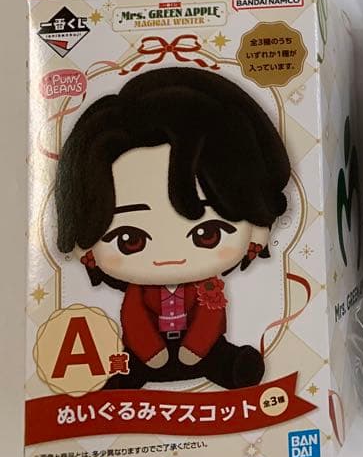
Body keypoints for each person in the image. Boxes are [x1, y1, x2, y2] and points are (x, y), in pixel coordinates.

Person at [55, 67, 291, 389]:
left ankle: (231, 367)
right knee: (129, 368)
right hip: (147, 353)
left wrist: (196, 348)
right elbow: (134, 319)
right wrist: (151, 352)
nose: (169, 257)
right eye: (130, 240)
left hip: (203, 350)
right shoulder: (139, 293)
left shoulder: (208, 289)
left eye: (207, 234)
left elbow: (209, 318)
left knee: (221, 358)